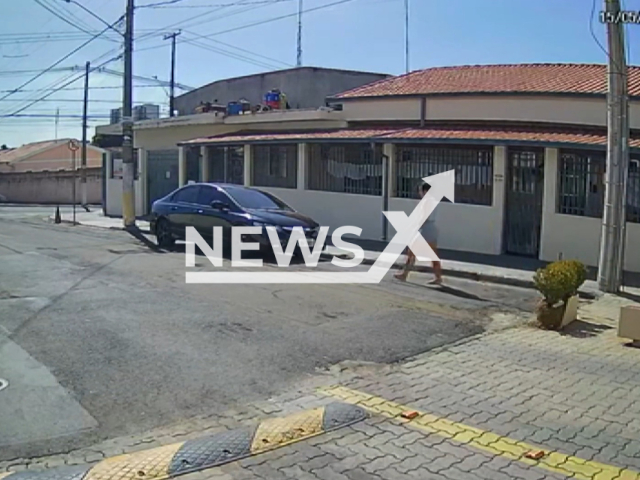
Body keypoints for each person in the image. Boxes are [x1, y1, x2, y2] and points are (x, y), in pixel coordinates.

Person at [394, 181, 443, 285]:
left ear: (425, 191)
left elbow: (423, 217)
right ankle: (438, 277)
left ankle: (404, 274)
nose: (419, 193)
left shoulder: (426, 202)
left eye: (421, 191)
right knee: (433, 255)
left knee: (411, 252)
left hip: (425, 229)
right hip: (432, 228)